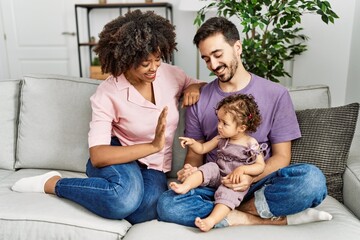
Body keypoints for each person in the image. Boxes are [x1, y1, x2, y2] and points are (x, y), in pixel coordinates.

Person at [11, 10, 205, 225]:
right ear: (127, 58)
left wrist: (194, 86)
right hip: (117, 156)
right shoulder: (108, 92)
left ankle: (112, 190)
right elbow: (98, 155)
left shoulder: (169, 74)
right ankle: (53, 183)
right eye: (144, 63)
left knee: (144, 211)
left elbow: (194, 83)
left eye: (157, 59)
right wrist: (153, 146)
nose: (154, 68)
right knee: (123, 200)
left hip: (154, 166)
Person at [157, 16, 332, 228]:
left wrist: (248, 178)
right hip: (216, 183)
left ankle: (228, 213)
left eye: (217, 54)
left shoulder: (276, 94)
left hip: (257, 182)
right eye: (206, 59)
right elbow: (195, 155)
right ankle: (252, 217)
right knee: (167, 205)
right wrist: (190, 171)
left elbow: (282, 157)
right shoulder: (199, 99)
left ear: (237, 47)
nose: (213, 65)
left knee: (311, 180)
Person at [170, 93, 268, 231]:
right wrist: (192, 143)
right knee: (210, 166)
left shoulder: (250, 143)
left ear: (241, 128)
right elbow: (203, 148)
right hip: (219, 174)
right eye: (219, 121)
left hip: (234, 181)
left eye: (224, 123)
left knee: (228, 193)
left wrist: (243, 170)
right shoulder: (220, 138)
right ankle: (185, 187)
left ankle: (211, 220)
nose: (219, 126)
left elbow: (260, 166)